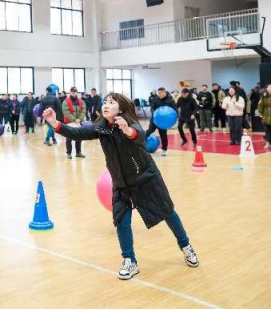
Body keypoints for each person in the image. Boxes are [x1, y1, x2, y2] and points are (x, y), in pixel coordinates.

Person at [43, 94, 199, 281]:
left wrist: (127, 130)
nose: (106, 105)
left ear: (121, 108)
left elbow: (139, 135)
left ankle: (186, 246)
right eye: (105, 102)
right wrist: (54, 122)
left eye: (111, 103)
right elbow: (77, 133)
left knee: (167, 211)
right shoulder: (100, 126)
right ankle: (129, 260)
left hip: (146, 178)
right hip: (121, 182)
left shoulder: (130, 122)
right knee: (122, 221)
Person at [147, 88, 176, 157]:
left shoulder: (170, 100)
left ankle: (164, 150)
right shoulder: (156, 99)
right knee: (149, 131)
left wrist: (176, 117)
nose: (159, 94)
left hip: (164, 121)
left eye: (160, 93)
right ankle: (140, 144)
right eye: (158, 93)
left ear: (164, 93)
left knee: (163, 135)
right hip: (154, 119)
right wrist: (154, 112)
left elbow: (175, 109)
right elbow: (152, 108)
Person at [62, 87, 87, 159]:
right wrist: (74, 119)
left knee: (79, 137)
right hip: (69, 122)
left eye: (75, 92)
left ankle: (78, 152)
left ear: (77, 92)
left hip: (78, 122)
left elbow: (83, 111)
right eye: (72, 92)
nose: (73, 93)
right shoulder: (65, 101)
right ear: (70, 92)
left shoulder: (81, 101)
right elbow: (66, 112)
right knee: (69, 138)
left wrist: (80, 119)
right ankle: (69, 153)